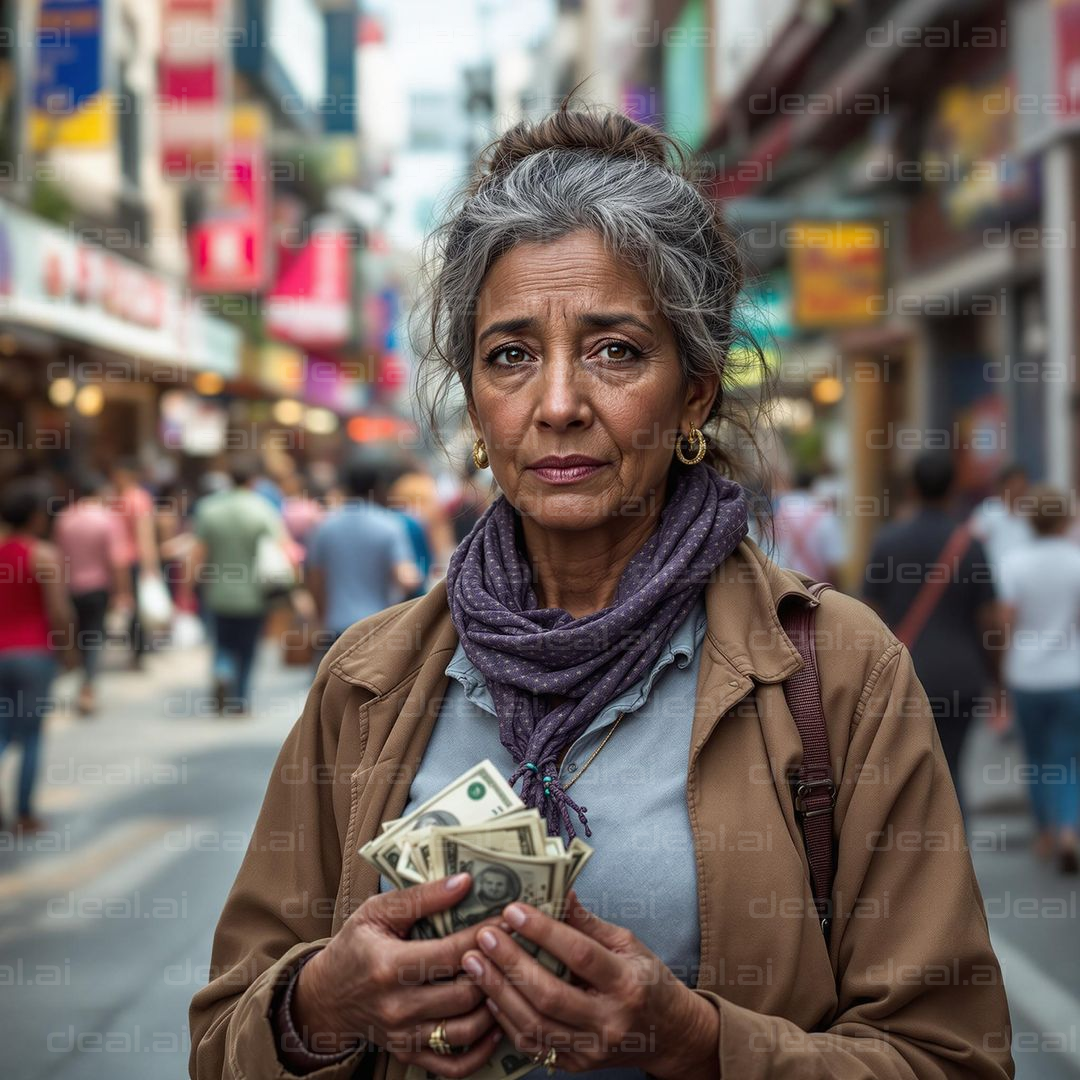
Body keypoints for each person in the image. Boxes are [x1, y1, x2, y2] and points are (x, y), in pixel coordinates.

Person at [190, 107, 1012, 1080]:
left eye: (615, 349)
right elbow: (223, 1038)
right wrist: (319, 1005)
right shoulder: (367, 684)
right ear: (476, 402)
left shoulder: (836, 675)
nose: (559, 403)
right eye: (511, 355)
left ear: (695, 390)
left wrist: (701, 1044)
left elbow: (951, 1058)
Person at [863, 451, 999, 814]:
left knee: (910, 776)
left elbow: (869, 614)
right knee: (952, 770)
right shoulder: (972, 545)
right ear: (953, 489)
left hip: (904, 675)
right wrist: (996, 678)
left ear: (912, 488)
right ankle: (957, 859)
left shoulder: (888, 541)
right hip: (961, 677)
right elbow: (990, 620)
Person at [998, 485, 1080, 874]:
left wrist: (999, 673)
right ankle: (1069, 829)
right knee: (1068, 758)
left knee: (1035, 758)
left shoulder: (1015, 563)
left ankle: (1045, 831)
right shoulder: (1076, 560)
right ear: (1066, 518)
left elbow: (1007, 621)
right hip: (1071, 674)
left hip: (1027, 673)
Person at [0, 478, 75, 833]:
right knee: (30, 736)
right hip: (34, 654)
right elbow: (59, 612)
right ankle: (24, 814)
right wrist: (69, 650)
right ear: (34, 517)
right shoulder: (43, 555)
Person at [189, 454, 288, 716]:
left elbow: (198, 552)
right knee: (248, 648)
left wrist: (189, 585)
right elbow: (280, 549)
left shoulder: (208, 508)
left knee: (222, 642)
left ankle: (222, 671)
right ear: (254, 480)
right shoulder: (263, 509)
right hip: (254, 592)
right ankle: (240, 700)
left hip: (218, 590)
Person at [306, 456, 422, 650]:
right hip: (377, 626)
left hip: (336, 628)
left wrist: (320, 619)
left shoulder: (325, 526)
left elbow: (315, 580)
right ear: (378, 486)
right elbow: (407, 579)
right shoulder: (389, 525)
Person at [53, 472, 131, 716]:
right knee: (93, 638)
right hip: (97, 589)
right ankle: (87, 688)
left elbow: (56, 556)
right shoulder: (107, 519)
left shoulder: (65, 518)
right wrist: (123, 592)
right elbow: (117, 560)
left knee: (73, 637)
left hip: (69, 587)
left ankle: (71, 681)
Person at [109, 458, 161, 670]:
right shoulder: (124, 499)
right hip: (124, 560)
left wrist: (149, 566)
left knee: (134, 608)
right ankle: (137, 650)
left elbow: (144, 534)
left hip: (130, 560)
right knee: (132, 608)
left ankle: (138, 650)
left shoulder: (132, 499)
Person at [769, 467, 846, 584]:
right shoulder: (824, 514)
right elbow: (833, 563)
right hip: (818, 589)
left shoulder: (777, 511)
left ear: (793, 484)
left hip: (784, 586)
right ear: (814, 485)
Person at [970, 463, 1033, 580]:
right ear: (1004, 485)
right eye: (1014, 483)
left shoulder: (1032, 514)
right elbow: (974, 543)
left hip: (1027, 578)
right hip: (996, 577)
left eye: (1023, 483)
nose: (1020, 488)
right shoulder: (987, 511)